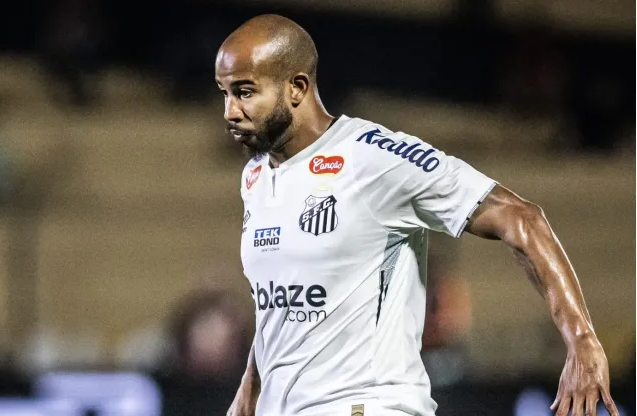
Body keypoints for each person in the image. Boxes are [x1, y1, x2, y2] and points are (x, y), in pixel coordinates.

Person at [214, 14, 619, 416]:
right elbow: (282, 299)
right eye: (225, 93)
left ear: (297, 87)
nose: (230, 111)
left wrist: (582, 339)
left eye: (245, 92)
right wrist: (253, 386)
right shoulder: (256, 176)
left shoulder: (374, 157)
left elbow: (521, 218)